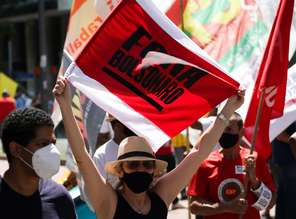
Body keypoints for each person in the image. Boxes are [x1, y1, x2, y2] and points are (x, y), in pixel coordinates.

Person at [53, 76, 244, 219]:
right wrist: (65, 105)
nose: (141, 169)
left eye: (146, 165)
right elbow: (82, 158)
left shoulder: (161, 194)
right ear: (120, 170)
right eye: (133, 165)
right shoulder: (108, 202)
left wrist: (228, 109)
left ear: (154, 169)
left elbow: (199, 152)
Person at [0, 107, 76, 219]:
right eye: (44, 144)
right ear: (16, 149)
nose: (53, 151)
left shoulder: (60, 197)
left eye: (53, 143)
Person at [187, 112, 276, 219]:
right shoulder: (205, 163)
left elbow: (269, 203)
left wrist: (254, 180)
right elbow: (194, 206)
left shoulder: (254, 160)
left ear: (241, 132)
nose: (224, 133)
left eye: (228, 129)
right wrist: (225, 208)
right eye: (221, 129)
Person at [271, 122, 296, 219]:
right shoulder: (288, 110)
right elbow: (280, 135)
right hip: (287, 165)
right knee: (288, 204)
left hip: (287, 166)